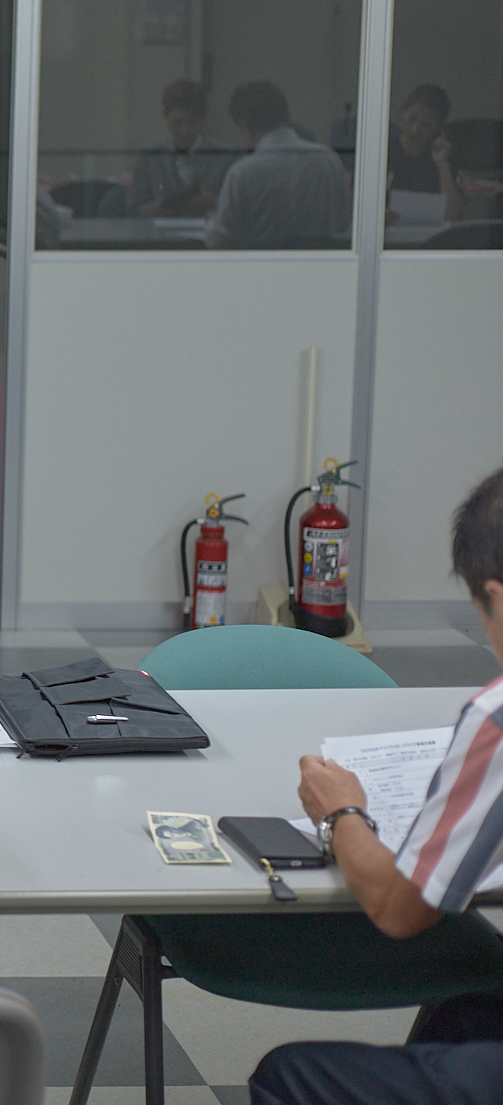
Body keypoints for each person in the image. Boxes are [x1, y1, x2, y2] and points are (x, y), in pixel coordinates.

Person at [250, 464, 503, 1104]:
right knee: (464, 1015)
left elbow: (398, 909)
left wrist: (342, 815)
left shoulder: (497, 721)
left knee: (288, 1077)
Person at [208, 81, 353, 249]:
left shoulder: (242, 173)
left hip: (263, 271)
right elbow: (344, 224)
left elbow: (220, 242)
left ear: (243, 124)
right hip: (320, 269)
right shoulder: (328, 159)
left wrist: (213, 222)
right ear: (284, 114)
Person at [129, 78, 235, 217]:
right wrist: (153, 209)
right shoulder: (149, 157)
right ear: (165, 117)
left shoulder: (226, 157)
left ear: (204, 119)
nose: (185, 130)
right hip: (160, 235)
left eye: (192, 122)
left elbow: (239, 208)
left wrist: (217, 202)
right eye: (178, 122)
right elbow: (133, 206)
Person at [386, 84, 464, 221]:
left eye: (425, 125)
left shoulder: (442, 157)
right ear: (403, 113)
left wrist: (442, 164)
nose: (415, 129)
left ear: (437, 128)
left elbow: (453, 213)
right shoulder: (387, 152)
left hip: (430, 236)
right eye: (412, 119)